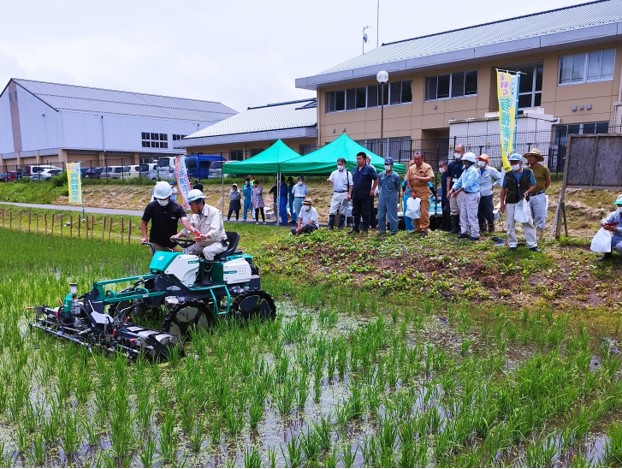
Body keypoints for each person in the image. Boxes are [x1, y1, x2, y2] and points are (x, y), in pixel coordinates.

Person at [141, 181, 197, 254]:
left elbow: (184, 220)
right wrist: (145, 237)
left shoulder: (177, 208)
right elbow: (144, 222)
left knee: (173, 264)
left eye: (164, 199)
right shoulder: (151, 206)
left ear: (169, 195)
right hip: (156, 244)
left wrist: (191, 229)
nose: (162, 201)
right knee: (157, 264)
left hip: (172, 245)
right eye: (160, 199)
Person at [171, 189, 228, 261]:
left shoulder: (214, 212)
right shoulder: (195, 215)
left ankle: (208, 271)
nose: (191, 208)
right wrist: (177, 236)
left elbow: (215, 231)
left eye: (192, 205)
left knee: (207, 251)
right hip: (203, 244)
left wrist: (205, 236)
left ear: (199, 203)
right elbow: (188, 229)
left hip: (218, 243)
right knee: (187, 251)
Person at [499, 153, 540, 252]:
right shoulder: (508, 174)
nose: (513, 164)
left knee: (528, 222)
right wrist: (502, 203)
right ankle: (512, 244)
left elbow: (533, 185)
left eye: (515, 162)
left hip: (523, 201)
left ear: (520, 163)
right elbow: (503, 189)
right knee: (510, 224)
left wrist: (528, 191)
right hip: (510, 201)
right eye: (511, 162)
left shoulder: (528, 172)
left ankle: (532, 245)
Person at [448, 152, 481, 240]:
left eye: (465, 161)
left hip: (472, 195)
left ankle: (475, 234)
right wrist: (452, 190)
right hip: (466, 194)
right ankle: (464, 232)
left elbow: (467, 184)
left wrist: (457, 191)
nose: (464, 163)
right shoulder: (465, 171)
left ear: (470, 162)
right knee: (463, 214)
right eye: (464, 161)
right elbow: (459, 181)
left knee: (471, 215)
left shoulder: (474, 171)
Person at [524, 148, 551, 241]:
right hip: (528, 196)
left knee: (540, 215)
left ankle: (539, 235)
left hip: (539, 195)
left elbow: (548, 181)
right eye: (528, 157)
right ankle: (530, 235)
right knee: (529, 216)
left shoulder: (543, 168)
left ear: (536, 157)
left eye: (532, 156)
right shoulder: (527, 170)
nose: (529, 159)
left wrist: (542, 190)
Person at [406, 151, 434, 236]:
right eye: (415, 159)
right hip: (414, 192)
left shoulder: (427, 167)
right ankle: (417, 228)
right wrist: (412, 191)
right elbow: (408, 180)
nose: (416, 161)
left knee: (424, 212)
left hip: (423, 192)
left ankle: (424, 228)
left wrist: (418, 177)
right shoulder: (411, 168)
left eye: (418, 159)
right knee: (414, 211)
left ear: (422, 158)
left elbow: (430, 178)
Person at [349, 152, 378, 234]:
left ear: (365, 159)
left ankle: (365, 229)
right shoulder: (355, 169)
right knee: (356, 211)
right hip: (356, 194)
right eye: (357, 159)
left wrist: (373, 190)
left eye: (360, 159)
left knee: (365, 212)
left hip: (365, 194)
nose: (358, 160)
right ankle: (356, 228)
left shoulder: (369, 169)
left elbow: (376, 179)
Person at [477, 154, 502, 234]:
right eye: (479, 160)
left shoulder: (491, 170)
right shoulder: (476, 171)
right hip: (478, 194)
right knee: (479, 212)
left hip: (487, 194)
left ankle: (491, 228)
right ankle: (482, 228)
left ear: (486, 162)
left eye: (482, 160)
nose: (480, 162)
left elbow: (500, 177)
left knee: (489, 212)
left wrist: (493, 185)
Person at [376, 157, 401, 236]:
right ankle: (382, 231)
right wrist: (379, 191)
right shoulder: (381, 175)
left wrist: (393, 194)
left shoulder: (396, 176)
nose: (386, 165)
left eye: (388, 164)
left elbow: (397, 187)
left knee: (392, 215)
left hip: (391, 197)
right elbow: (379, 184)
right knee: (380, 215)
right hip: (382, 196)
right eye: (385, 164)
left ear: (392, 165)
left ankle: (393, 231)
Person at [327, 158, 353, 230]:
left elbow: (351, 185)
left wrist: (349, 194)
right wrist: (328, 181)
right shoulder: (334, 173)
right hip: (336, 193)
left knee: (343, 210)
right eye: (338, 164)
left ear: (344, 164)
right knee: (332, 209)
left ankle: (340, 226)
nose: (339, 165)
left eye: (341, 164)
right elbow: (330, 180)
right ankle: (330, 225)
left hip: (344, 193)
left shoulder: (348, 173)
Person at [598, 194, 622, 261]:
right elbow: (606, 220)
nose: (621, 206)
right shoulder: (614, 214)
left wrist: (615, 229)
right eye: (619, 205)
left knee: (620, 247)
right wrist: (603, 223)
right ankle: (607, 255)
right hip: (616, 236)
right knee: (605, 238)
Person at [447, 144, 465, 233]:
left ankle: (463, 229)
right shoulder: (451, 164)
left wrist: (459, 190)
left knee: (462, 209)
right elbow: (449, 177)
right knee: (453, 209)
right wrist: (448, 191)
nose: (456, 153)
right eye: (455, 151)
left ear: (463, 152)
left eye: (458, 151)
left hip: (462, 190)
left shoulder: (465, 164)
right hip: (452, 189)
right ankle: (454, 228)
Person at [438, 160, 451, 231]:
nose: (440, 168)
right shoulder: (442, 175)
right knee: (444, 211)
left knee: (446, 210)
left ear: (446, 166)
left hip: (448, 195)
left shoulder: (449, 175)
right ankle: (444, 226)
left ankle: (448, 227)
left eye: (441, 166)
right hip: (443, 196)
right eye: (439, 166)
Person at [366, 155, 378, 230]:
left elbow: (375, 180)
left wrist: (373, 190)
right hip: (362, 191)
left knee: (370, 207)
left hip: (370, 190)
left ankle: (373, 225)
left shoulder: (372, 168)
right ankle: (365, 224)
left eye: (367, 159)